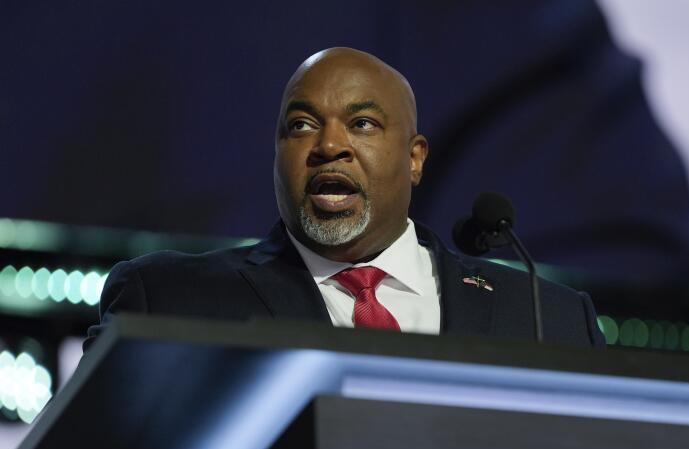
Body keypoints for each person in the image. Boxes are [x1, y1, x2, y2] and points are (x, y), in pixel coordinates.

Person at [84, 48, 605, 350]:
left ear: (415, 158)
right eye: (302, 125)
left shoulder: (549, 320)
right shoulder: (170, 300)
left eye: (362, 124)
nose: (329, 146)